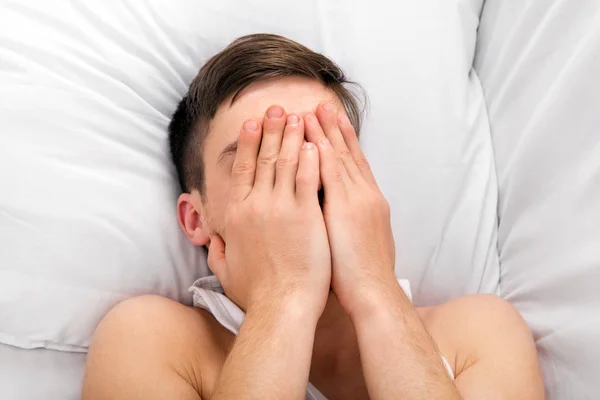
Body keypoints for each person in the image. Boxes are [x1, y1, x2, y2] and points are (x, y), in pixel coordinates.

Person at [82, 34, 544, 400]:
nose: (305, 178)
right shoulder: (151, 340)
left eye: (323, 148)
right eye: (264, 156)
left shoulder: (478, 335)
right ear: (195, 219)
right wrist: (283, 300)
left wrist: (375, 291)